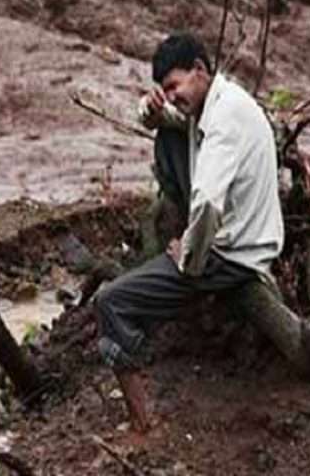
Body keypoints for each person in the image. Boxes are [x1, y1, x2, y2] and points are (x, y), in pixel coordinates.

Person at [95, 32, 285, 434]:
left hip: (232, 254)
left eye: (175, 86)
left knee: (111, 302)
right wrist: (150, 108)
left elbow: (208, 202)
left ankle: (142, 424)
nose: (173, 96)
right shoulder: (219, 101)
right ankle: (182, 260)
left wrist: (189, 258)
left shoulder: (223, 122)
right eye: (166, 90)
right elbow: (161, 120)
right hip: (249, 237)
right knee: (168, 134)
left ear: (200, 70)